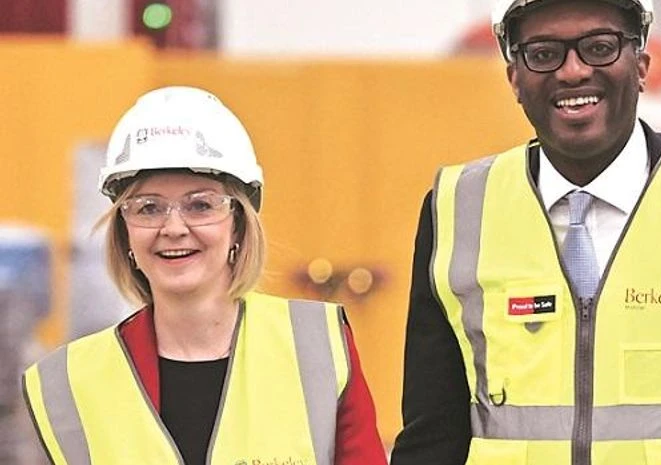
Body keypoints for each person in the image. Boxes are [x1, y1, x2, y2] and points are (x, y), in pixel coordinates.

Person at [390, 1, 661, 464]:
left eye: (600, 48)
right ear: (514, 77)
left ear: (641, 65)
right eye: (543, 54)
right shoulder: (458, 209)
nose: (573, 71)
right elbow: (432, 434)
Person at [21, 86, 388, 465]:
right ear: (124, 233)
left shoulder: (316, 347)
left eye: (200, 205)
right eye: (148, 208)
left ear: (238, 224)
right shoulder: (67, 383)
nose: (173, 228)